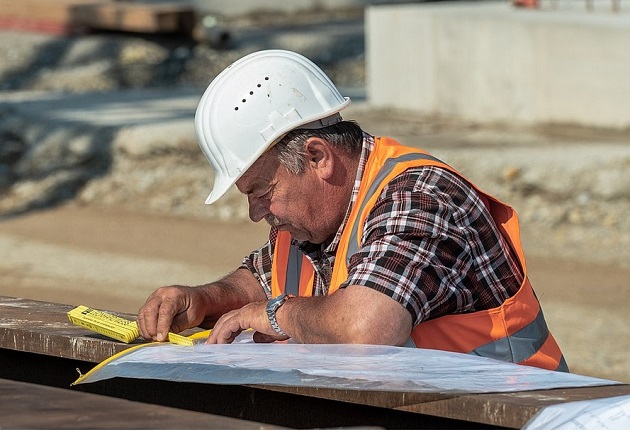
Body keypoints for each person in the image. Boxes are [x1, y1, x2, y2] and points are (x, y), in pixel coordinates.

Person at [137, 49, 568, 372]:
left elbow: (367, 330)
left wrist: (273, 314)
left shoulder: (420, 196)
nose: (255, 212)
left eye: (262, 191)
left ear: (318, 157)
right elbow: (263, 277)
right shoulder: (316, 218)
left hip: (515, 417)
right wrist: (202, 299)